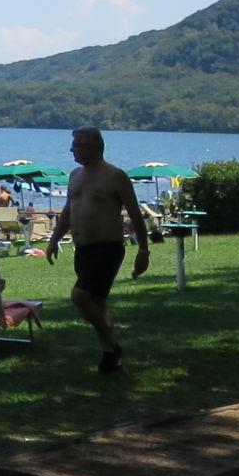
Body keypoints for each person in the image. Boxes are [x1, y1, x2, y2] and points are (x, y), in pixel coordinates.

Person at [45, 127, 151, 373]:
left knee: (79, 297)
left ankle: (114, 347)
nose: (71, 149)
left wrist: (143, 252)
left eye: (76, 145)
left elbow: (135, 215)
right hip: (83, 249)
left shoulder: (115, 176)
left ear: (92, 147)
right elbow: (68, 211)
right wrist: (54, 239)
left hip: (107, 249)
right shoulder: (75, 175)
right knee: (98, 306)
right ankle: (110, 357)